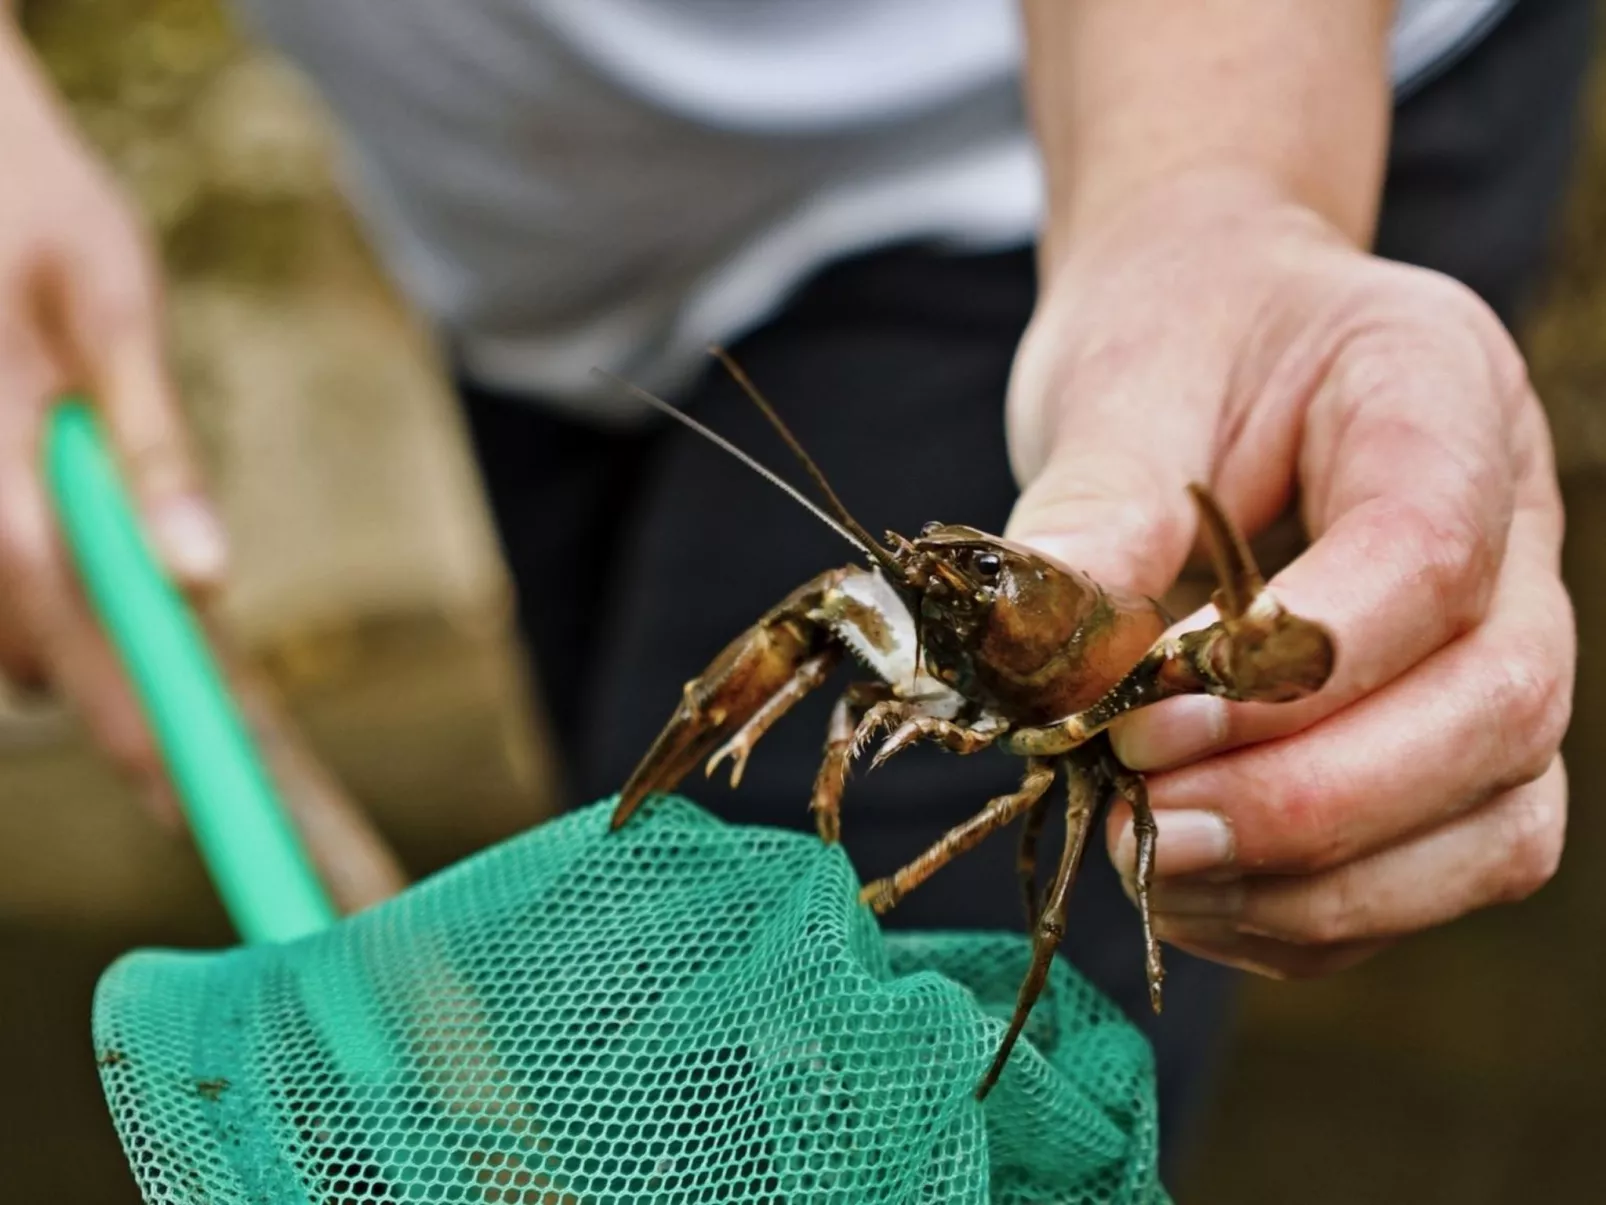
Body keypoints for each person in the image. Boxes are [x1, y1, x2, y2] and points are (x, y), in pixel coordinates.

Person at [0, 0, 1585, 1173]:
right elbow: (848, 632)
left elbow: (1232, 669)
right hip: (530, 257)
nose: (927, 590)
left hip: (1067, 148)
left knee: (772, 1095)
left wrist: (1215, 197)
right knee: (650, 871)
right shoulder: (924, 618)